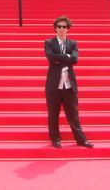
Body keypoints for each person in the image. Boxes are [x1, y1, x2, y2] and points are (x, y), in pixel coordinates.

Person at [44, 16, 93, 149]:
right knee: (53, 114)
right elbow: (51, 57)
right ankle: (55, 139)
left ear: (68, 29)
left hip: (69, 85)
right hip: (53, 85)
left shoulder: (73, 43)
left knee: (73, 114)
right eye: (59, 27)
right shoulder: (49, 43)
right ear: (55, 28)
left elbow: (75, 59)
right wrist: (67, 57)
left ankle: (81, 139)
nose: (61, 29)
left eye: (64, 27)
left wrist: (61, 58)